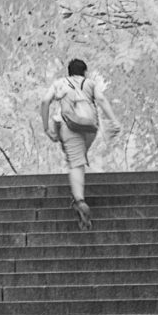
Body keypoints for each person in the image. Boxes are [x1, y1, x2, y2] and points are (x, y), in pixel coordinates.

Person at [39, 59, 121, 230]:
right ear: (84, 72)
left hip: (70, 126)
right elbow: (102, 100)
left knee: (75, 162)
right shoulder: (90, 83)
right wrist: (114, 121)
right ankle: (78, 192)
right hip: (90, 127)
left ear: (69, 72)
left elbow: (45, 101)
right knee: (79, 157)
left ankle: (79, 200)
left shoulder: (60, 83)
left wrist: (46, 128)